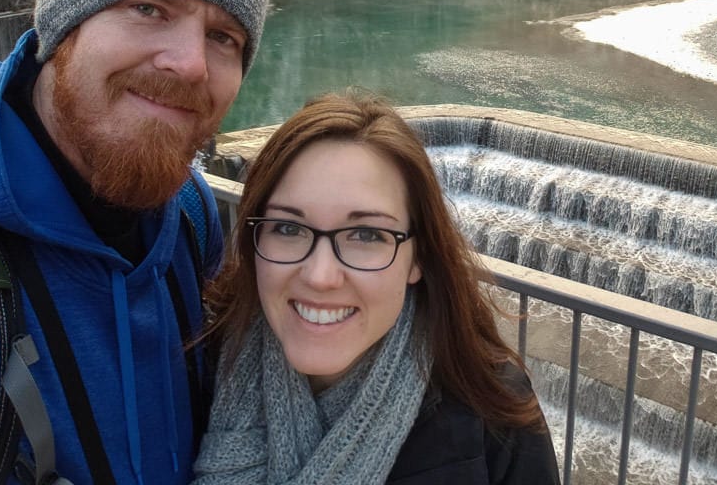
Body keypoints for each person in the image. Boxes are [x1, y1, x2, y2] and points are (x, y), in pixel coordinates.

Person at [0, 0, 270, 485]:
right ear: (64, 26)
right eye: (149, 9)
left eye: (223, 37)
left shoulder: (189, 215)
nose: (191, 63)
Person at [192, 92, 560, 485]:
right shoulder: (197, 369)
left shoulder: (494, 411)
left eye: (366, 234)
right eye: (288, 228)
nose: (320, 275)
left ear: (418, 257)